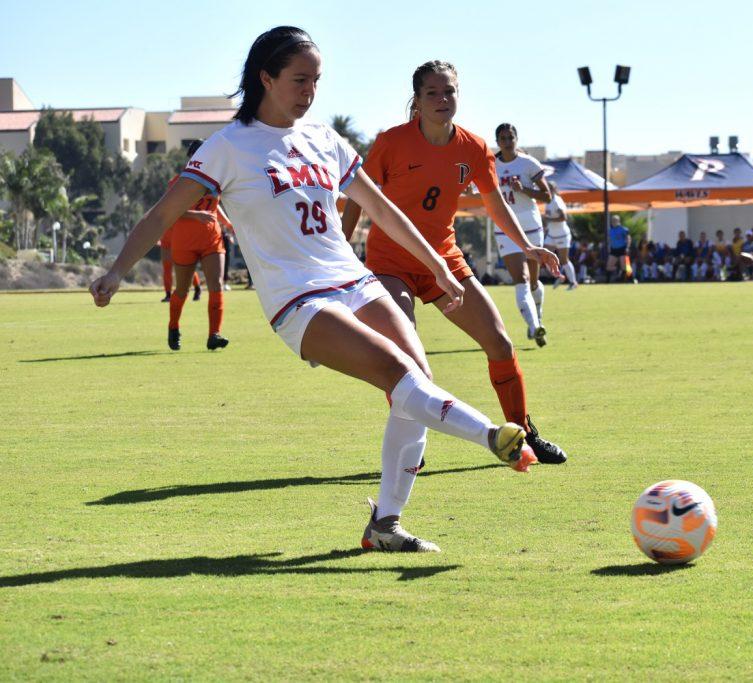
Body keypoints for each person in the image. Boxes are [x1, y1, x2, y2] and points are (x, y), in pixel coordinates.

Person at [89, 27, 538, 554]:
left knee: (417, 379)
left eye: (316, 81)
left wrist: (435, 264)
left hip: (352, 279)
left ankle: (385, 525)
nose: (309, 91)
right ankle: (493, 436)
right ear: (266, 78)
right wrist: (118, 269)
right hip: (296, 300)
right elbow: (163, 212)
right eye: (299, 79)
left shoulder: (324, 138)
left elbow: (383, 211)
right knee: (398, 377)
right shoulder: (227, 147)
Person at [340, 60, 568, 466]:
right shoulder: (390, 142)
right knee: (405, 354)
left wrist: (527, 247)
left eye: (449, 92)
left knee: (499, 341)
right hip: (391, 262)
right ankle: (410, 445)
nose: (442, 99)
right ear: (418, 99)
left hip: (446, 259)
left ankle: (522, 435)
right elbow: (358, 198)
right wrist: (340, 251)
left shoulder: (475, 148)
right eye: (432, 93)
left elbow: (494, 203)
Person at [165, 138, 233, 351]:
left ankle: (214, 334)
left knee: (216, 284)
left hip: (211, 240)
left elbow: (214, 206)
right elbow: (169, 212)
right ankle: (173, 327)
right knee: (182, 290)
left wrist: (227, 223)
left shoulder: (215, 182)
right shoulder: (179, 182)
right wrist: (197, 216)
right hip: (184, 242)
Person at [492, 123, 552, 340]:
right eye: (503, 139)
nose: (507, 143)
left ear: (516, 139)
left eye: (510, 138)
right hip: (505, 228)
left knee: (534, 281)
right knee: (522, 279)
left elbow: (547, 196)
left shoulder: (528, 164)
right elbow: (481, 192)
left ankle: (538, 317)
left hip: (531, 226)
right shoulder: (491, 165)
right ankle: (535, 327)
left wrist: (524, 190)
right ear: (497, 142)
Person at [543, 181, 578, 290]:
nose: (546, 189)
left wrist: (548, 219)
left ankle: (573, 282)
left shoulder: (557, 201)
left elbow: (563, 217)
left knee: (564, 260)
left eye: (549, 188)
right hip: (551, 235)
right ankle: (560, 276)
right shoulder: (547, 200)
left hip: (562, 235)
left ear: (553, 189)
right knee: (545, 257)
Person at [159, 226, 201, 302]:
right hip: (165, 240)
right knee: (167, 267)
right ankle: (168, 294)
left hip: (180, 238)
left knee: (186, 266)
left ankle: (197, 288)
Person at [606, 215, 630, 282]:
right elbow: (609, 239)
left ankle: (624, 281)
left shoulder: (623, 229)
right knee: (609, 266)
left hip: (622, 249)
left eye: (615, 220)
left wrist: (627, 247)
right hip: (614, 250)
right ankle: (607, 282)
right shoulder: (610, 230)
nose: (613, 222)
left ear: (618, 221)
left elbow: (628, 238)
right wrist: (609, 246)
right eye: (612, 220)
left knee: (624, 266)